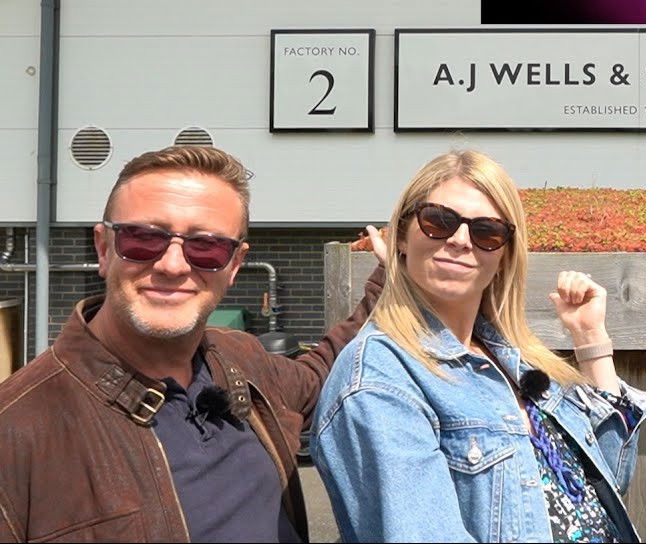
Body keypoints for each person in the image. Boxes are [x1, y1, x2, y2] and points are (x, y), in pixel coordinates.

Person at [0, 145, 385, 542]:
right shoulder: (17, 429)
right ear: (103, 248)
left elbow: (325, 370)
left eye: (206, 247)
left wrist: (390, 279)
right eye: (143, 238)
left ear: (234, 265)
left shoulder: (242, 361)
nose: (172, 265)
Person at [311, 149, 646, 542]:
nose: (461, 241)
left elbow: (600, 491)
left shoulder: (513, 360)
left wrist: (591, 341)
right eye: (438, 222)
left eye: (486, 232)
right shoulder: (380, 378)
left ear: (503, 255)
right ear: (403, 237)